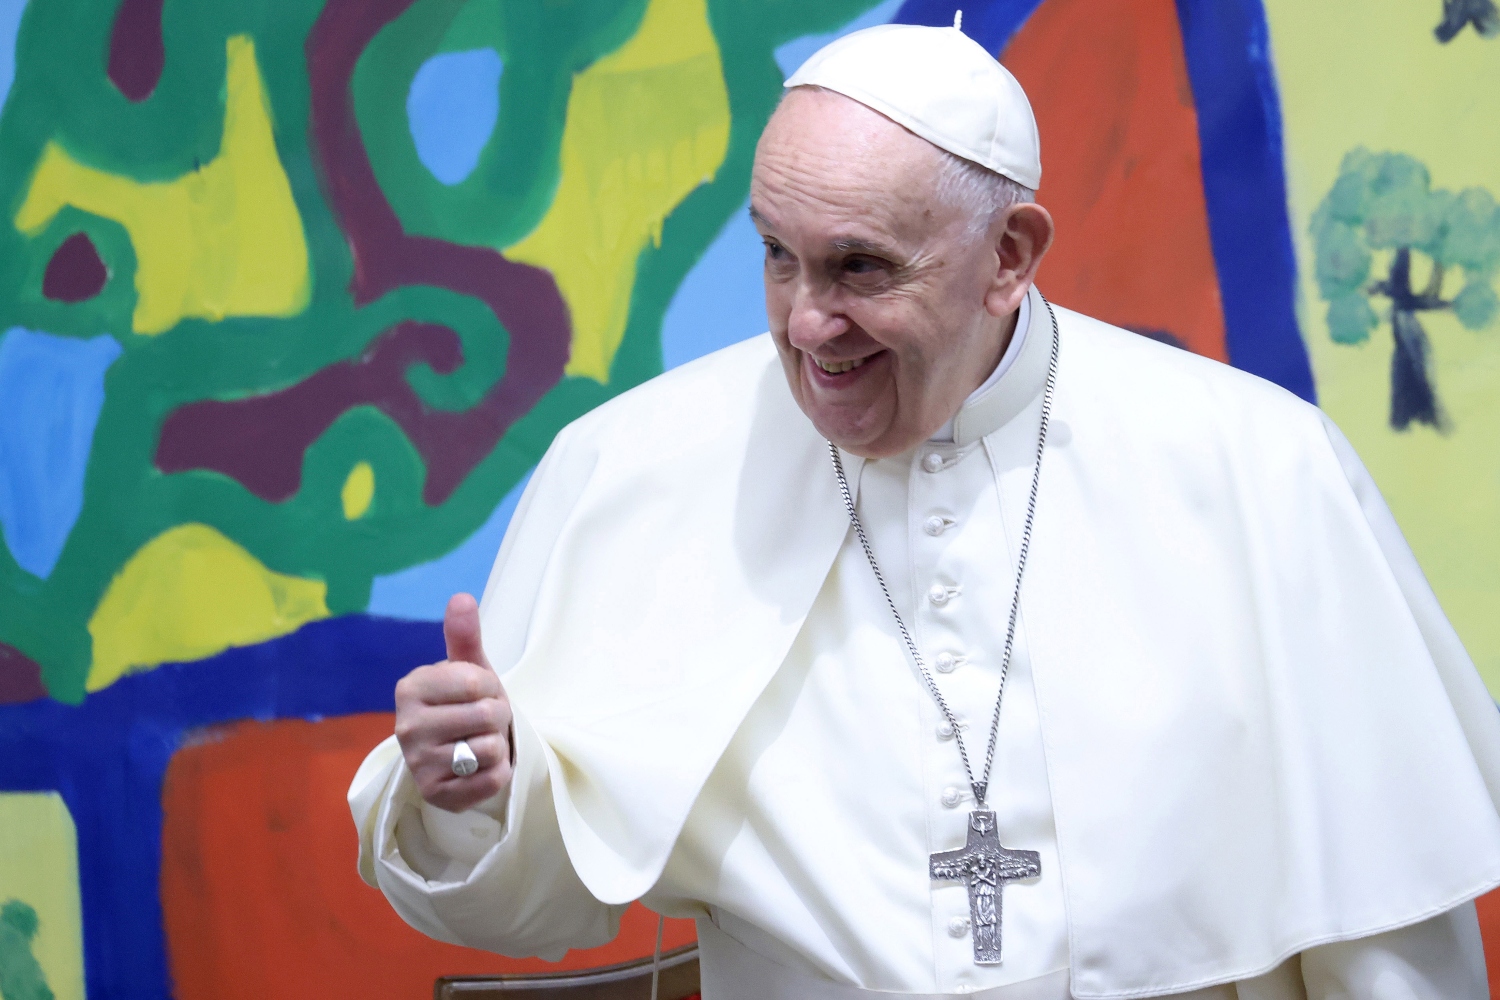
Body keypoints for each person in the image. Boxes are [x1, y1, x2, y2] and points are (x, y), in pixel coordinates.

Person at [348, 20, 1500, 999]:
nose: (805, 322)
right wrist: (477, 800)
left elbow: (1386, 920)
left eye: (860, 269)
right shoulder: (631, 468)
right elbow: (526, 897)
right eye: (778, 257)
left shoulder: (1260, 468)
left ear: (1010, 254)